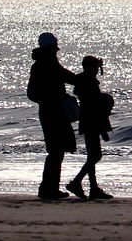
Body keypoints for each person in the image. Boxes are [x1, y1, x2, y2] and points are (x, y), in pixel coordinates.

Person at [25, 32, 79, 200]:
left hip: (50, 111)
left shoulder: (43, 64)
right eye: (55, 47)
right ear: (50, 48)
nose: (56, 50)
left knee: (56, 150)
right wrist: (52, 100)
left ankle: (49, 187)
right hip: (52, 112)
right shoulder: (47, 64)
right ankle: (48, 189)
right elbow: (69, 78)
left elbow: (32, 93)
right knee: (56, 151)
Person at [66, 55, 115, 200]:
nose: (97, 70)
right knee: (95, 155)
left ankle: (93, 188)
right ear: (88, 67)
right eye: (95, 67)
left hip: (87, 119)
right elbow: (95, 106)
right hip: (92, 120)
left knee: (92, 155)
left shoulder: (83, 80)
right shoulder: (89, 82)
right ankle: (77, 182)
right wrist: (103, 128)